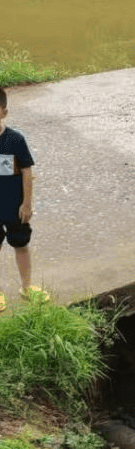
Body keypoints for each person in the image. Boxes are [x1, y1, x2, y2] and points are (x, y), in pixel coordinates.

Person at [0, 88, 48, 311]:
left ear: (4, 112)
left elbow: (27, 172)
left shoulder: (15, 140)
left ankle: (27, 287)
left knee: (21, 245)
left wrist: (26, 203)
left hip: (14, 207)